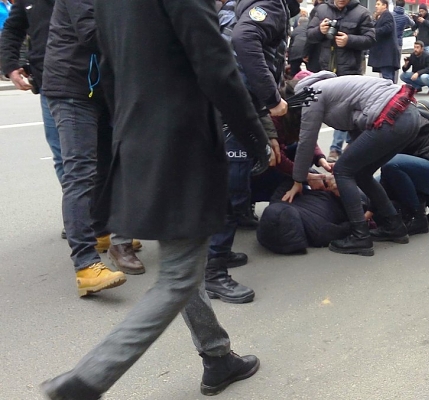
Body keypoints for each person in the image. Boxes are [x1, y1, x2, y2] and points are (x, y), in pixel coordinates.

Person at [40, 0, 273, 396]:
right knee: (179, 277)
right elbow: (217, 65)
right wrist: (256, 137)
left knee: (182, 265)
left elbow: (111, 70)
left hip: (137, 137)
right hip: (179, 144)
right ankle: (87, 379)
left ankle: (217, 357)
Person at [42, 0, 145, 296]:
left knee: (104, 167)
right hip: (72, 88)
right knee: (80, 174)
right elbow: (94, 33)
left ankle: (100, 231)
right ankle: (86, 266)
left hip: (98, 89)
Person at [204, 0, 299, 304]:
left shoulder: (243, 6)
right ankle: (213, 273)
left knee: (222, 186)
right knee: (232, 190)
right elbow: (243, 41)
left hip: (222, 104)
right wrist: (272, 98)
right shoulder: (269, 5)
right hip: (231, 108)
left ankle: (215, 254)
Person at [283, 71, 422, 256]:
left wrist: (298, 180)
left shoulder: (310, 95)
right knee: (360, 173)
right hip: (409, 115)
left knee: (342, 171)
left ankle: (360, 236)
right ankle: (394, 225)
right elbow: (358, 128)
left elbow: (306, 140)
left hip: (393, 117)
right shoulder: (330, 86)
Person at [0, 0, 62, 185]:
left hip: (94, 83)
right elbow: (12, 29)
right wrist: (10, 66)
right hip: (48, 83)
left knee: (99, 154)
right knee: (63, 157)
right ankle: (81, 211)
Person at [306, 0, 375, 162]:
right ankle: (352, 145)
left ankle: (335, 148)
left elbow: (370, 39)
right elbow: (309, 35)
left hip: (349, 72)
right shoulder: (321, 9)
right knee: (324, 112)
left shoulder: (362, 12)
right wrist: (319, 30)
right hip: (325, 71)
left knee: (343, 111)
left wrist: (349, 40)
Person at [368, 0, 399, 82]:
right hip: (384, 54)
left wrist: (373, 31)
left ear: (385, 5)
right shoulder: (383, 16)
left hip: (386, 54)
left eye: (378, 4)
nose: (376, 6)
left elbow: (387, 29)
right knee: (386, 76)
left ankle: (390, 93)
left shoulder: (387, 15)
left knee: (387, 78)